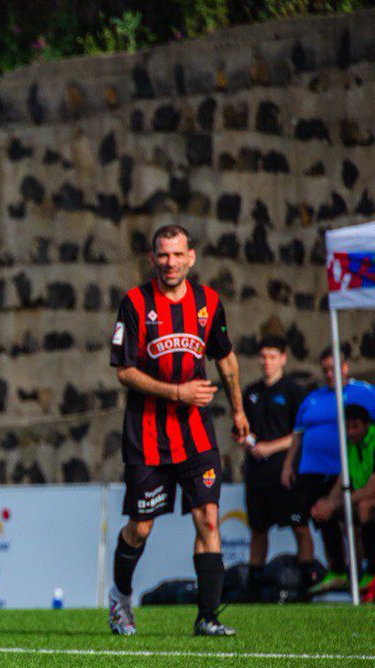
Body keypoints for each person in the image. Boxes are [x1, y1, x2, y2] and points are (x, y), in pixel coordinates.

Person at [107, 224, 249, 637]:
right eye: (162, 255)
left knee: (208, 517)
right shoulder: (135, 303)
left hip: (197, 436)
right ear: (153, 259)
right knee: (141, 526)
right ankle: (120, 597)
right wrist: (177, 391)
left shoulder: (208, 303)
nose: (170, 262)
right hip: (147, 436)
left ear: (192, 257)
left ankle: (208, 616)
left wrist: (238, 411)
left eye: (177, 254)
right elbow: (124, 371)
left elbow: (226, 360)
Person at [281, 344, 375, 595]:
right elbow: (298, 434)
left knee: (354, 516)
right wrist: (289, 464)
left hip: (346, 472)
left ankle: (363, 572)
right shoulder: (313, 398)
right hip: (314, 471)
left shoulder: (364, 393)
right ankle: (338, 571)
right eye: (325, 370)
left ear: (345, 366)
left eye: (334, 368)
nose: (330, 374)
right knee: (323, 516)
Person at [240, 335, 312, 599]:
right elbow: (242, 429)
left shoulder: (293, 390)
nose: (267, 362)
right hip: (257, 474)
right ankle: (254, 587)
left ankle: (306, 582)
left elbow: (300, 432)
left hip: (285, 471)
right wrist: (246, 441)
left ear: (283, 358)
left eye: (272, 356)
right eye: (263, 356)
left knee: (299, 526)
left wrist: (272, 448)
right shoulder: (251, 393)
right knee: (258, 530)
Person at [305, 404, 375, 599]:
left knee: (364, 506)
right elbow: (342, 479)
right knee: (320, 509)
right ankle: (339, 570)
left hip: (368, 499)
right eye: (348, 427)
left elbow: (372, 487)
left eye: (356, 427)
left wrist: (336, 504)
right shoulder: (350, 445)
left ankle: (371, 571)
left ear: (366, 425)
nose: (351, 432)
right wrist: (327, 502)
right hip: (360, 497)